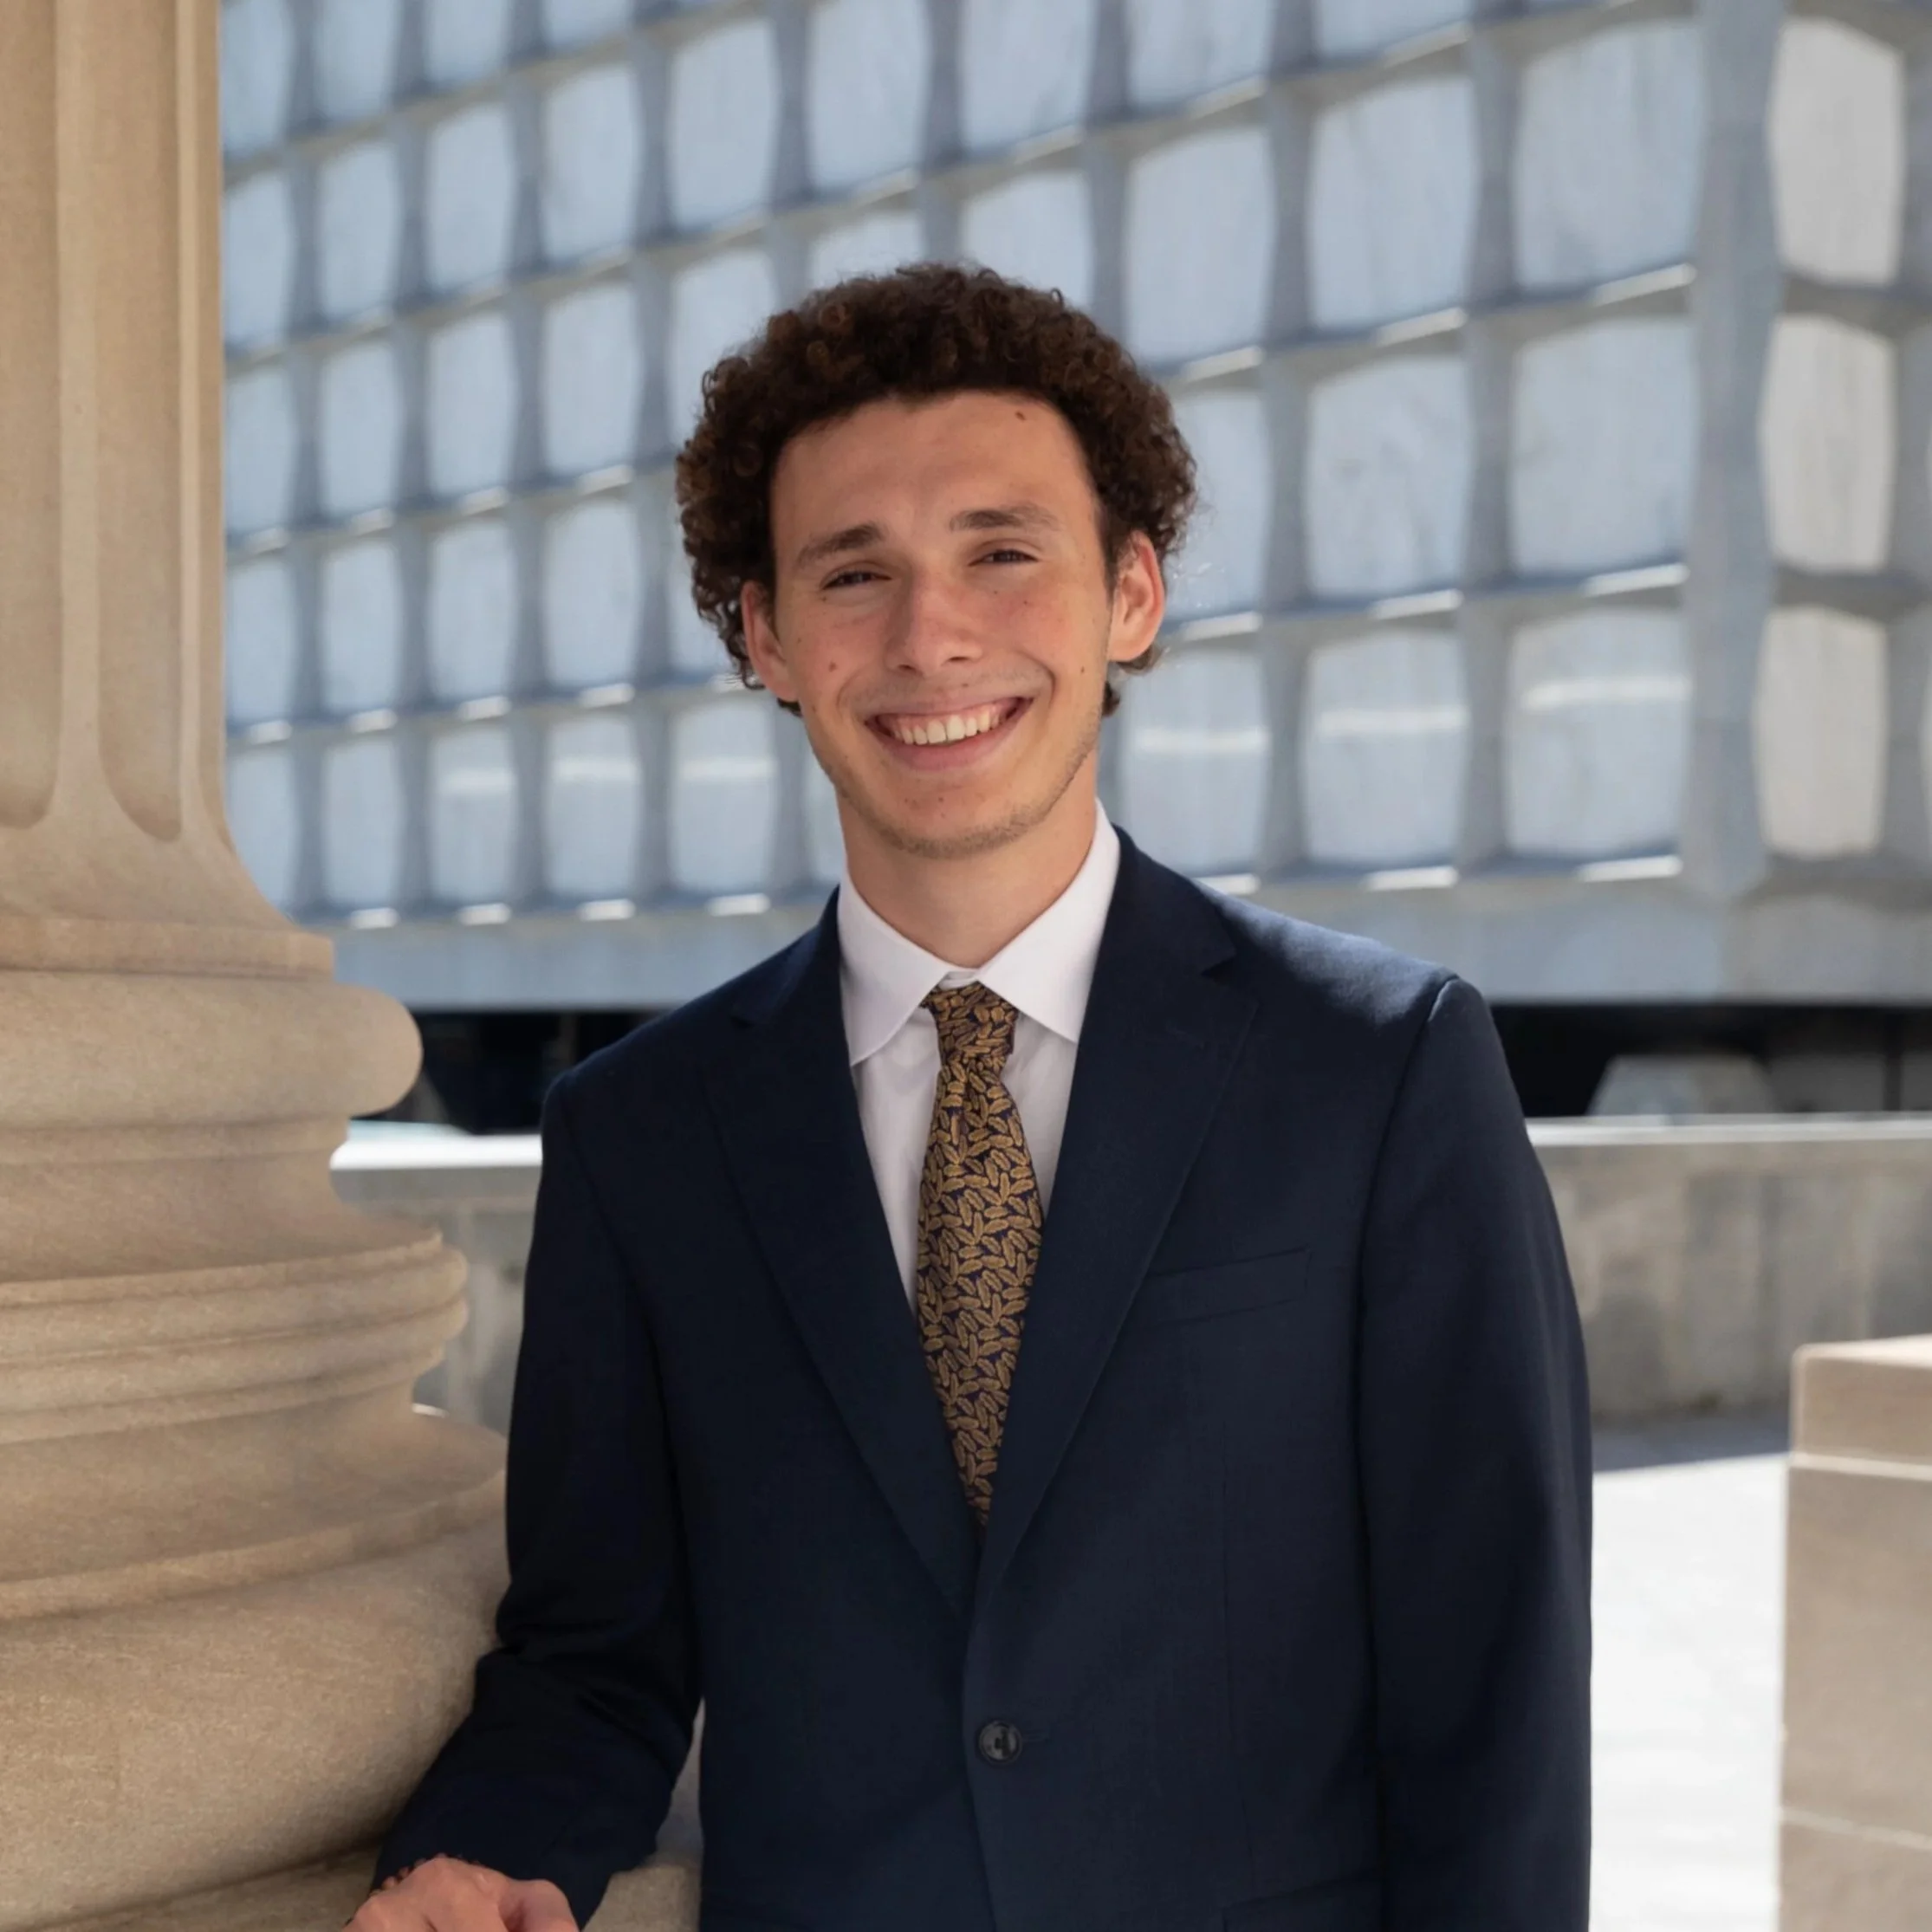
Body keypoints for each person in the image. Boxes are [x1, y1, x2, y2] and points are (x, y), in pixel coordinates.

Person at [358, 265, 1591, 1932]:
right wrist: (487, 1851)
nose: (928, 636)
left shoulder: (1379, 1069)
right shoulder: (638, 1137)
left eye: (1002, 553)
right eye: (852, 572)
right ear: (765, 638)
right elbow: (599, 1651)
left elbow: (1493, 1686)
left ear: (1129, 596)